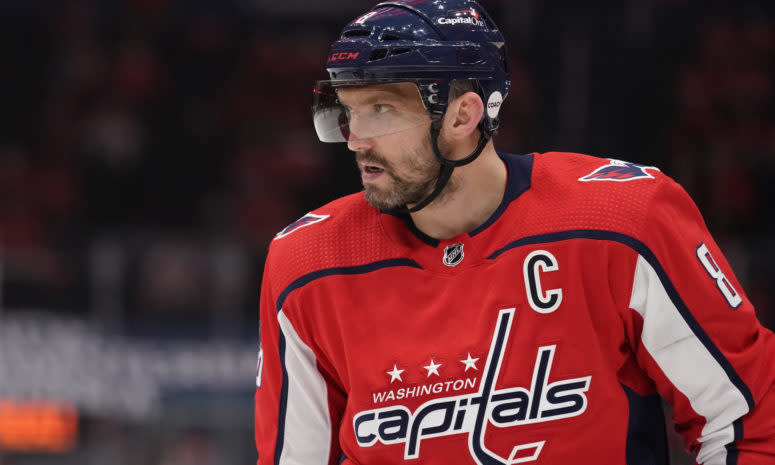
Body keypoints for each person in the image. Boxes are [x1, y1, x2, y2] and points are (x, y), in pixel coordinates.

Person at [254, 1, 775, 464]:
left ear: (463, 115)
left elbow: (746, 423)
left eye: (381, 110)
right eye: (347, 112)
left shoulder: (624, 219)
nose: (356, 140)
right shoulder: (306, 263)